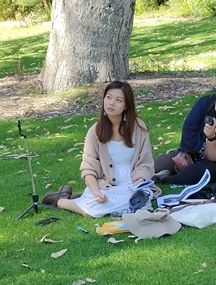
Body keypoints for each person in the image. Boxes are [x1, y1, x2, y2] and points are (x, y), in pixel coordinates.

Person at [42, 81, 155, 217]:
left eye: (118, 100)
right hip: (106, 185)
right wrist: (97, 193)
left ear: (126, 106)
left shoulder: (138, 127)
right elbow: (88, 167)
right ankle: (60, 201)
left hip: (131, 183)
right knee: (92, 212)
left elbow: (145, 161)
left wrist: (140, 180)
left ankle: (83, 199)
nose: (111, 103)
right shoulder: (95, 131)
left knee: (141, 203)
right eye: (108, 97)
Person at [154, 78, 216, 186]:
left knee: (198, 171)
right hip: (193, 152)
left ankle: (166, 179)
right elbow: (189, 131)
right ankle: (158, 172)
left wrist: (211, 137)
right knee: (156, 165)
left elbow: (213, 157)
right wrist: (196, 152)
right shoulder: (205, 103)